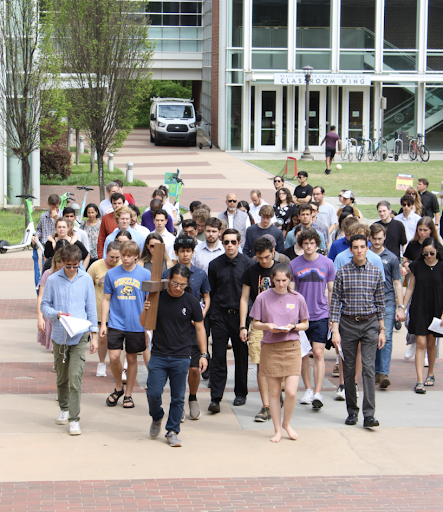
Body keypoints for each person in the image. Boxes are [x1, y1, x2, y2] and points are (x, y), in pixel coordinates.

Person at [142, 264, 208, 447]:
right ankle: (157, 416)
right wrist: (146, 309)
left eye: (182, 285)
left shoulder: (192, 302)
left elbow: (200, 328)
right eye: (175, 283)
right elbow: (143, 323)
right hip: (159, 354)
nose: (177, 288)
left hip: (181, 355)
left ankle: (172, 431)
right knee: (153, 393)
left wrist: (203, 354)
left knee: (178, 397)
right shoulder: (157, 298)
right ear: (168, 279)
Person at [41, 244, 98, 436]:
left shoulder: (86, 278)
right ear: (61, 263)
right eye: (68, 265)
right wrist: (56, 314)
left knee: (75, 376)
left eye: (76, 265)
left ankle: (74, 418)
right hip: (60, 333)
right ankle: (64, 407)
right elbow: (44, 306)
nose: (72, 269)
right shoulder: (53, 279)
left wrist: (94, 334)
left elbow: (91, 307)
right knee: (61, 375)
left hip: (80, 333)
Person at [330, 234, 386, 428]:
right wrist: (335, 330)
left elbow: (380, 302)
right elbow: (335, 302)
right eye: (356, 247)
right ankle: (352, 411)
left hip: (370, 323)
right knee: (349, 368)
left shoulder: (375, 272)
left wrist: (382, 329)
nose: (359, 250)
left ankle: (369, 414)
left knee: (369, 369)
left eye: (363, 247)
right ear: (351, 250)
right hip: (348, 324)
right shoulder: (342, 272)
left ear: (367, 248)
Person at [249, 263, 309, 442]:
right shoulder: (263, 297)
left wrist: (294, 327)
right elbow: (255, 323)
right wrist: (268, 326)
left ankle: (287, 423)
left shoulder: (298, 298)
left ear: (289, 279)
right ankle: (277, 429)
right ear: (272, 280)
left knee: (290, 391)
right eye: (277, 280)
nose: (281, 284)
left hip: (291, 346)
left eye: (284, 280)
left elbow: (305, 323)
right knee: (274, 392)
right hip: (271, 346)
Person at [161, 237, 210, 421]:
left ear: (192, 252)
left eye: (188, 250)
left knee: (195, 369)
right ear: (176, 252)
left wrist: (201, 315)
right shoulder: (168, 274)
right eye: (182, 250)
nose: (185, 254)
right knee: (179, 370)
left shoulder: (200, 274)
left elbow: (207, 297)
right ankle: (178, 403)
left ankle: (193, 397)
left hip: (194, 329)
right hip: (174, 331)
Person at [207, 228, 254, 412]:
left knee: (241, 356)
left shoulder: (248, 264)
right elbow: (210, 293)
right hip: (219, 315)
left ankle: (241, 393)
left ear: (239, 243)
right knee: (218, 357)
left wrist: (247, 322)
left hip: (240, 317)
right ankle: (216, 397)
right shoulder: (214, 265)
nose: (229, 245)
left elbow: (251, 295)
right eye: (226, 242)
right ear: (222, 242)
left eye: (233, 242)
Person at [100, 241, 151, 409]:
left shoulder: (144, 274)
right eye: (123, 255)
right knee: (114, 357)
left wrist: (147, 324)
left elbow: (149, 299)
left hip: (136, 323)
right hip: (116, 322)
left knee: (131, 358)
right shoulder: (112, 274)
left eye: (129, 255)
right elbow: (106, 299)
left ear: (136, 256)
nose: (125, 258)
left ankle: (128, 393)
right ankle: (118, 386)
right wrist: (103, 323)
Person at [290, 229, 335, 410]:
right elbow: (291, 292)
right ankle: (307, 389)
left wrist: (332, 314)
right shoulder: (294, 264)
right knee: (302, 356)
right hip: (301, 317)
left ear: (317, 244)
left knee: (318, 353)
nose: (309, 246)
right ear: (301, 244)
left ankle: (317, 392)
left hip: (321, 314)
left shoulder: (327, 263)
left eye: (312, 243)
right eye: (305, 243)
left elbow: (331, 290)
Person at [240, 237, 278, 422]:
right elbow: (244, 299)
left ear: (272, 251)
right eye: (259, 257)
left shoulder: (281, 269)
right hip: (258, 323)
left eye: (266, 257)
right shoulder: (251, 271)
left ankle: (276, 397)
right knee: (261, 365)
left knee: (279, 366)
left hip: (280, 324)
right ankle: (266, 406)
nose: (263, 261)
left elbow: (292, 296)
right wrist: (242, 325)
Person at [403, 237, 443, 394]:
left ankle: (430, 373)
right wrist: (402, 307)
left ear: (437, 251)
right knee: (420, 343)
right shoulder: (417, 266)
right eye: (425, 253)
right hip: (419, 306)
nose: (429, 256)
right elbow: (411, 287)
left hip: (437, 308)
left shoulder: (442, 266)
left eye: (431, 253)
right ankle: (419, 380)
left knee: (431, 343)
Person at [369, 224, 405, 389]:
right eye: (374, 238)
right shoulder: (366, 256)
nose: (377, 242)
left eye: (380, 238)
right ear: (369, 238)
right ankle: (375, 371)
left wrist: (401, 306)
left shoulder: (391, 258)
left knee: (387, 337)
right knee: (373, 337)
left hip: (388, 301)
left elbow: (397, 283)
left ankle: (384, 372)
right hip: (369, 303)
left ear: (384, 238)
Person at [87, 241, 122, 378]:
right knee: (102, 339)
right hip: (100, 310)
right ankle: (101, 363)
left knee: (119, 340)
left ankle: (120, 365)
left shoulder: (123, 266)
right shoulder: (96, 266)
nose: (114, 260)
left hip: (119, 310)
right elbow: (87, 285)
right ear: (106, 253)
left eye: (117, 257)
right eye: (111, 257)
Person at [37, 251, 64, 352]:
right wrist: (40, 317)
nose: (60, 270)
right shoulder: (47, 274)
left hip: (64, 313)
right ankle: (58, 365)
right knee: (56, 347)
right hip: (50, 314)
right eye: (58, 267)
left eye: (62, 267)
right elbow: (40, 296)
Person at [97, 192, 126, 258]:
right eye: (114, 203)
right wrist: (101, 256)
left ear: (124, 203)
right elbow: (101, 238)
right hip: (111, 255)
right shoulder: (106, 218)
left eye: (119, 203)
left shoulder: (128, 217)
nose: (117, 205)